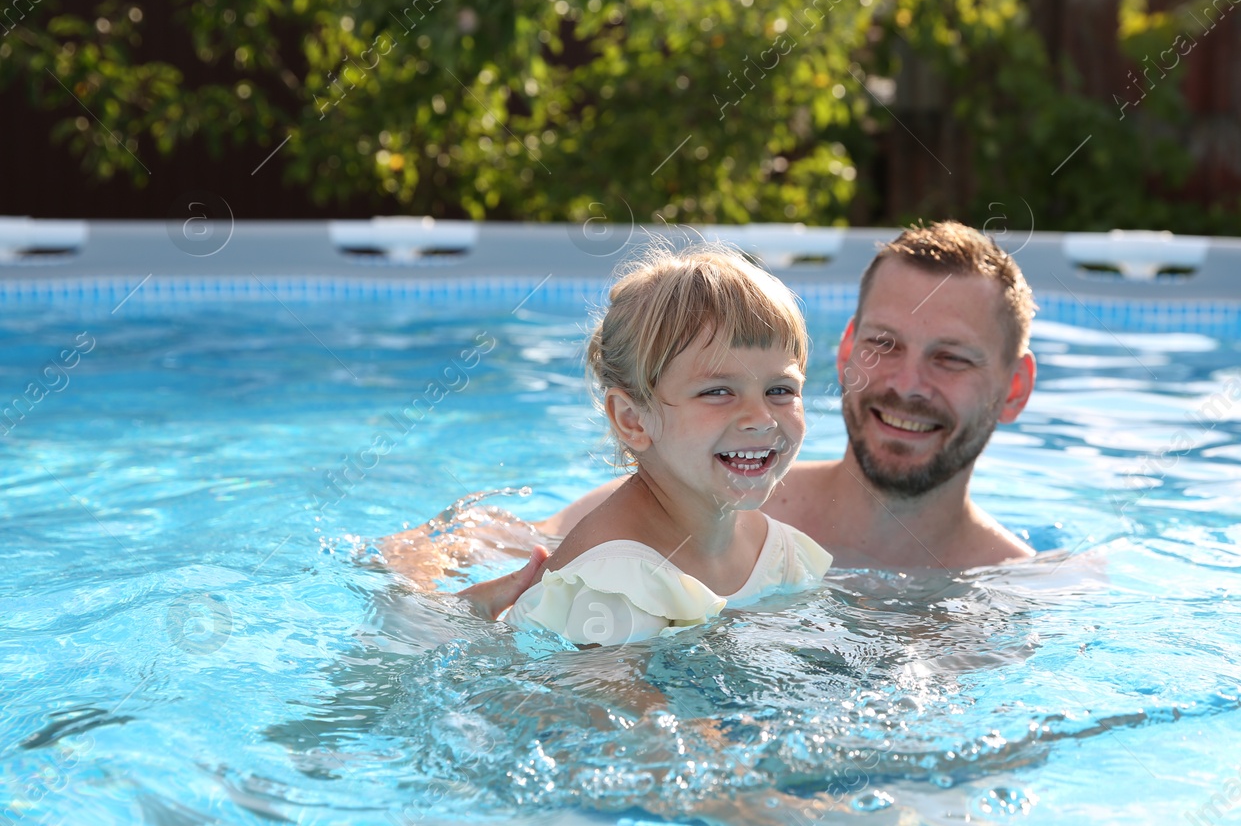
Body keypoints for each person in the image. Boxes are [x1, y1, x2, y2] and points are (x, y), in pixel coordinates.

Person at [385, 220, 1039, 611]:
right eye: (883, 344)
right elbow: (445, 547)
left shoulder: (1019, 592)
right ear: (846, 351)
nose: (905, 384)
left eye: (951, 358)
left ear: (1014, 388)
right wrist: (441, 617)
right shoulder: (696, 501)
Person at [483, 244, 831, 643]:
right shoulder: (611, 585)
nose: (761, 419)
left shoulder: (778, 554)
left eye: (780, 389)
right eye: (718, 391)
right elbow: (606, 705)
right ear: (633, 419)